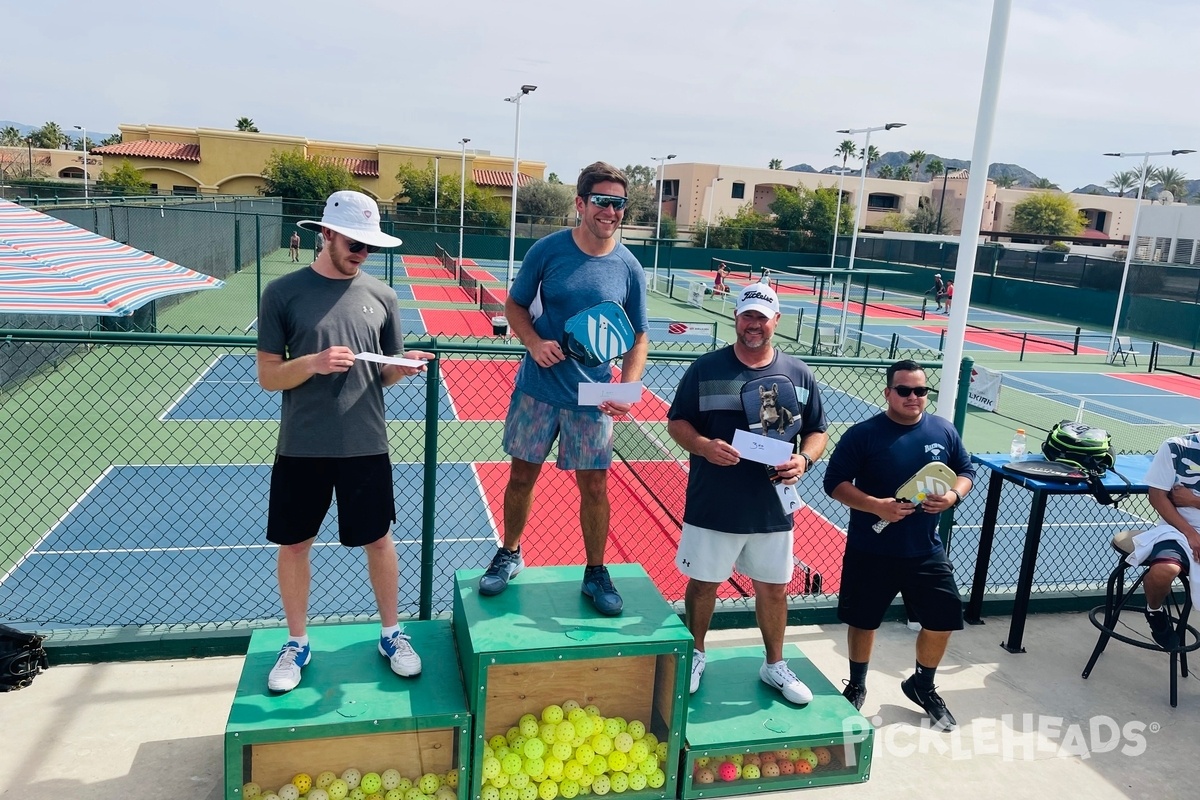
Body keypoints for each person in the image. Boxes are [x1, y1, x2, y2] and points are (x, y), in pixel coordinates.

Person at [257, 190, 434, 693]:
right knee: (295, 545)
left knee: (379, 540)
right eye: (354, 241)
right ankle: (296, 643)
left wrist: (402, 367)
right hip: (302, 447)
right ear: (327, 233)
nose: (361, 252)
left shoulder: (384, 297)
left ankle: (392, 634)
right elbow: (268, 376)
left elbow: (385, 374)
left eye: (369, 245)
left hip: (366, 444)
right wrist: (311, 364)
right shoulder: (282, 294)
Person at [478, 162, 650, 615]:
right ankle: (509, 554)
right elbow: (514, 305)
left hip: (593, 401)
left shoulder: (629, 267)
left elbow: (638, 337)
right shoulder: (547, 251)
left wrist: (628, 389)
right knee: (520, 477)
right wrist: (533, 342)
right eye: (601, 201)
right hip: (538, 390)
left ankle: (595, 572)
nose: (610, 211)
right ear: (580, 203)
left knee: (595, 488)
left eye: (618, 203)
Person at [667, 283, 828, 704]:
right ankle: (696, 654)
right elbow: (678, 422)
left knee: (773, 589)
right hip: (713, 503)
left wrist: (804, 461)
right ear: (735, 318)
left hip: (772, 506)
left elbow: (816, 432)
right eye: (747, 315)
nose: (754, 324)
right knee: (703, 585)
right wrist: (703, 446)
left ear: (776, 321)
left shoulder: (799, 373)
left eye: (762, 316)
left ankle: (774, 665)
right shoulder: (705, 368)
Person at [823, 359, 974, 730]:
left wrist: (953, 496)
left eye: (920, 390)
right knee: (863, 622)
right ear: (888, 392)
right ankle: (857, 685)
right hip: (870, 550)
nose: (913, 397)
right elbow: (834, 482)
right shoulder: (863, 435)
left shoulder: (944, 430)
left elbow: (967, 472)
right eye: (904, 390)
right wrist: (878, 506)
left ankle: (922, 685)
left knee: (942, 621)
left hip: (925, 550)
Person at [1125, 432, 1200, 650]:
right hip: (1176, 530)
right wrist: (1190, 533)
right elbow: (1157, 496)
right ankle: (1154, 611)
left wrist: (1193, 501)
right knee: (1163, 571)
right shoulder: (1176, 447)